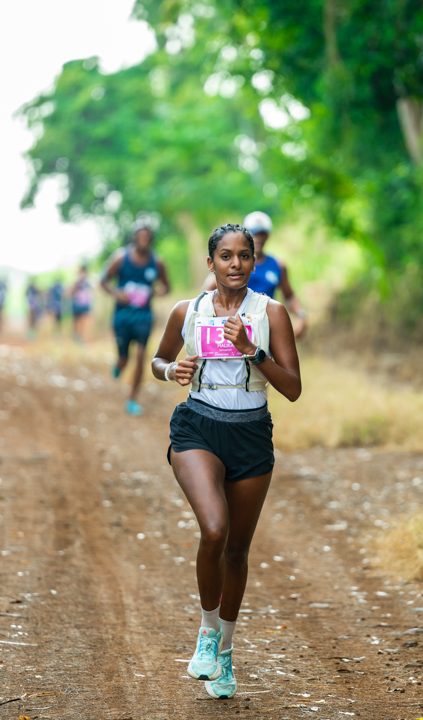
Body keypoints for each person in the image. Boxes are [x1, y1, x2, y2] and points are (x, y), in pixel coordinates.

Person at [151, 223, 301, 700]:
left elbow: (293, 388)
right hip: (197, 427)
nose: (235, 264)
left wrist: (252, 351)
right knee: (214, 530)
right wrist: (171, 370)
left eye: (244, 256)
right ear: (210, 263)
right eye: (225, 256)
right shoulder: (187, 311)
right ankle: (207, 632)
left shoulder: (271, 313)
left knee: (236, 551)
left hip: (251, 435)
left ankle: (227, 654)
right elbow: (159, 360)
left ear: (255, 262)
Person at [101, 224, 171, 416]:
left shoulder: (157, 262)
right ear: (134, 238)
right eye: (140, 237)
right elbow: (103, 281)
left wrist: (161, 291)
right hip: (122, 316)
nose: (143, 241)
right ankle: (119, 365)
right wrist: (117, 293)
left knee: (141, 355)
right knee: (124, 358)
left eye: (147, 237)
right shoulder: (120, 258)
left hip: (144, 316)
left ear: (151, 240)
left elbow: (167, 286)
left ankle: (132, 399)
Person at [201, 211, 307, 339]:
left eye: (262, 234)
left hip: (266, 326)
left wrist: (301, 316)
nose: (258, 238)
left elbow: (289, 295)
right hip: (236, 326)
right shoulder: (232, 267)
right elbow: (207, 293)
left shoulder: (277, 265)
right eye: (254, 234)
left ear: (268, 236)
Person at [69, 264, 93, 344]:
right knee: (76, 322)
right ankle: (76, 337)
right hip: (76, 305)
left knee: (84, 322)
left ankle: (81, 338)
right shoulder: (76, 282)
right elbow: (70, 293)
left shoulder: (88, 282)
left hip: (85, 306)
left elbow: (91, 293)